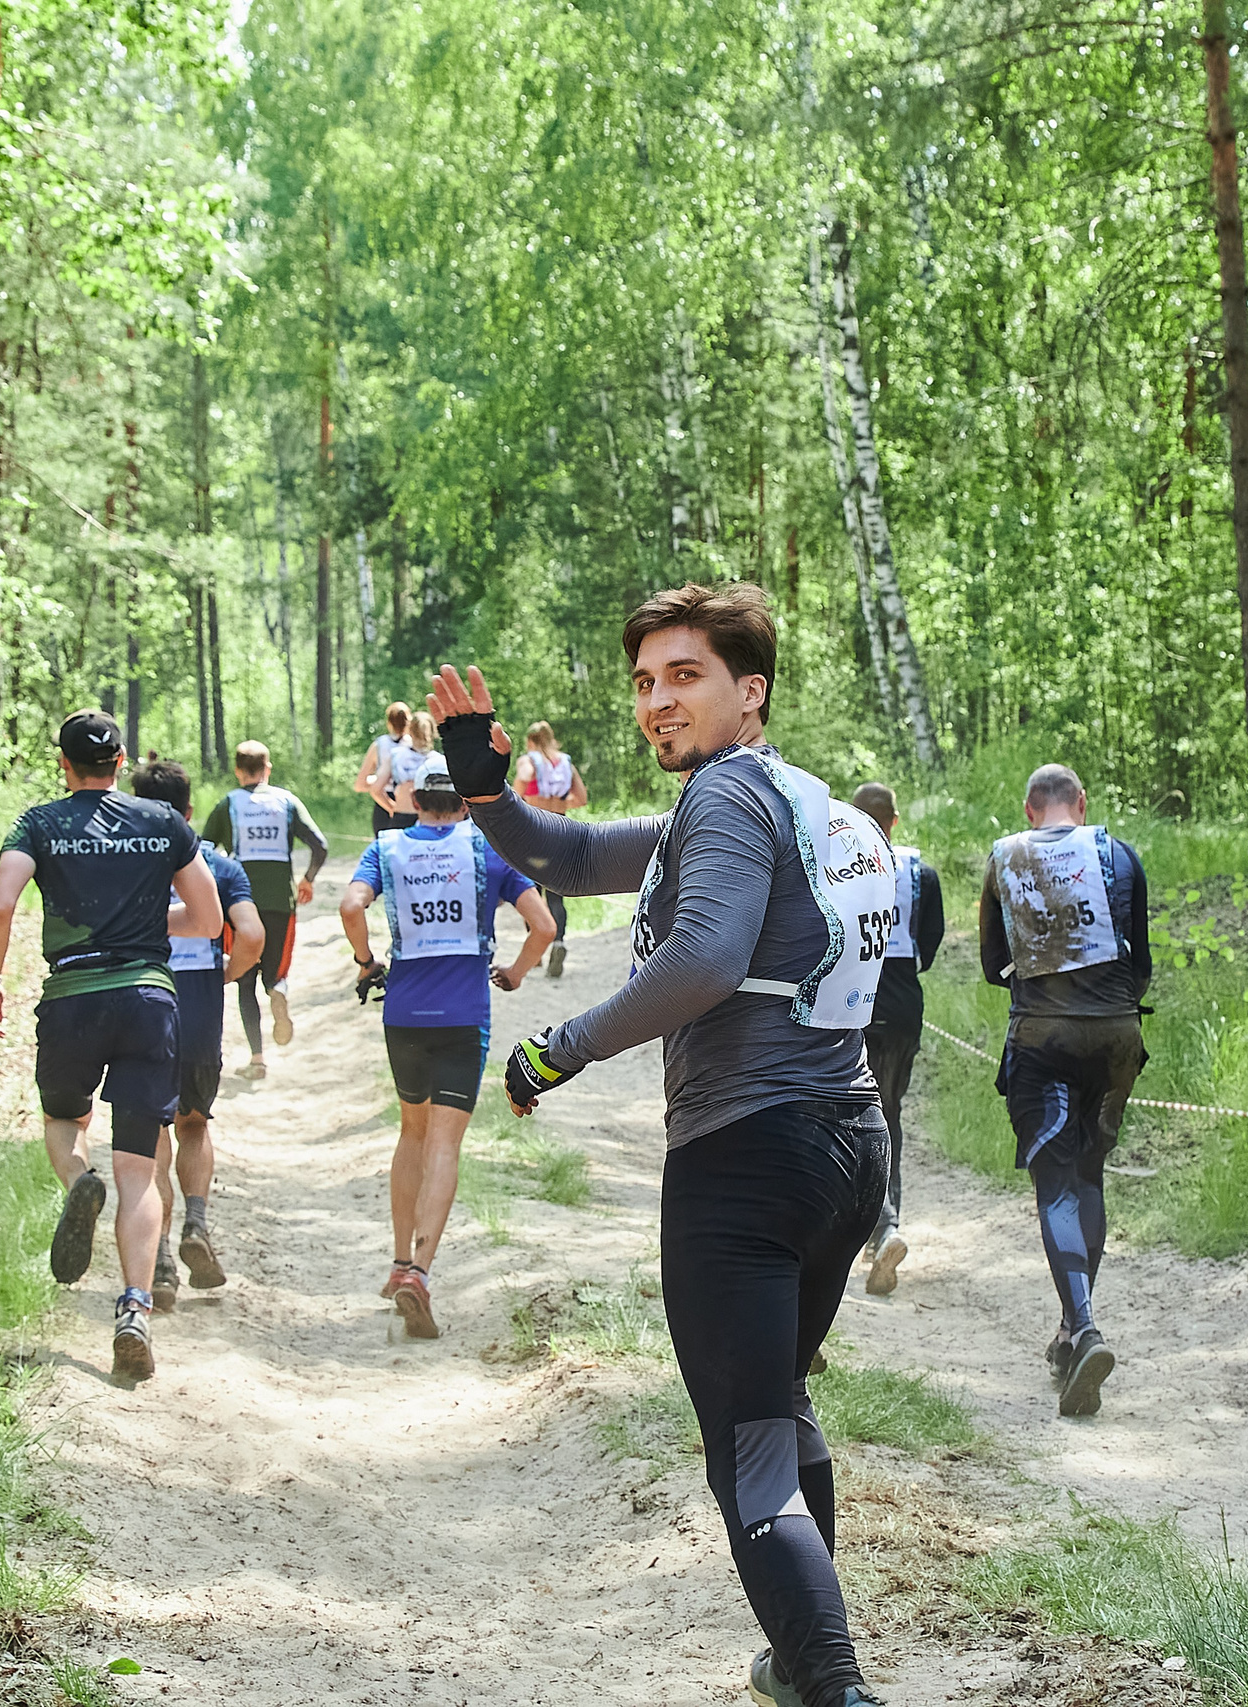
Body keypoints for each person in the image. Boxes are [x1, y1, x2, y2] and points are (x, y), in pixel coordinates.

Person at [426, 582, 895, 1707]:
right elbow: (572, 850)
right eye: (643, 682)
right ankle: (797, 1661)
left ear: (751, 690)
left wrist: (561, 1048)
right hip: (849, 1146)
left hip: (747, 1157)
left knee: (747, 1450)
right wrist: (484, 788)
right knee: (778, 1406)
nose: (657, 703)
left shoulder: (726, 799)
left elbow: (703, 960)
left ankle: (832, 1685)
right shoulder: (798, 798)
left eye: (685, 677)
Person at [0, 712, 221, 1385]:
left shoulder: (39, 823)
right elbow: (207, 919)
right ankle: (135, 1308)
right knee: (140, 1168)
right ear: (119, 762)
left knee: (64, 1118)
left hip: (73, 997)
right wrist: (146, 921)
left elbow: (0, 907)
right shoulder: (163, 823)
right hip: (148, 998)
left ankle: (77, 1181)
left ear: (64, 764)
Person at [337, 755, 556, 1338]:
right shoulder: (487, 851)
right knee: (444, 1144)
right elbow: (545, 927)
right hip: (464, 1015)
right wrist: (515, 971)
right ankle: (419, 1272)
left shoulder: (386, 848)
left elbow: (350, 906)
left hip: (404, 1013)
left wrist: (366, 963)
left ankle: (397, 1260)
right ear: (464, 802)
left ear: (414, 801)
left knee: (411, 1131)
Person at [979, 764, 1149, 1419]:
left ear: (1029, 808)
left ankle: (1084, 1328)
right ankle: (1070, 1330)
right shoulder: (1118, 853)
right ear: (1082, 803)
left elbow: (994, 965)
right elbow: (1142, 963)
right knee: (1089, 1176)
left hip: (1041, 1038)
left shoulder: (1004, 857)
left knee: (1054, 1184)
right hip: (1116, 1038)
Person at [131, 761, 264, 1311]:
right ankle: (197, 1223)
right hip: (200, 1014)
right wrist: (224, 973)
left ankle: (159, 1257)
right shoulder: (217, 864)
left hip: (138, 1008)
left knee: (149, 1138)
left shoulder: (124, 863)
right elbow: (252, 935)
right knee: (193, 1123)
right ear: (189, 811)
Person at [849, 781, 941, 1296]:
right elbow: (930, 943)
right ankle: (888, 1224)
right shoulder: (921, 874)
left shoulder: (830, 859)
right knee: (890, 1114)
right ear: (894, 822)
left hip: (851, 1005)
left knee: (849, 1115)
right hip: (904, 1006)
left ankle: (873, 1225)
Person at [200, 739, 328, 1076]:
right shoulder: (286, 802)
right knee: (277, 971)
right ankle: (278, 991)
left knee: (243, 980)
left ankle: (257, 1059)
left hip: (240, 905)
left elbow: (203, 850)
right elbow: (320, 845)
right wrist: (308, 879)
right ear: (267, 769)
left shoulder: (228, 803)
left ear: (238, 771)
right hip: (280, 903)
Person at [514, 719, 588, 978]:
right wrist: (560, 800)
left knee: (530, 894)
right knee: (556, 895)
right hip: (562, 830)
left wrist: (526, 796)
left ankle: (536, 951)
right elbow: (581, 798)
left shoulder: (529, 761)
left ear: (531, 741)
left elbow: (519, 785)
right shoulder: (565, 762)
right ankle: (559, 942)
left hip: (535, 831)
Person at [354, 701, 413, 833]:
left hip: (382, 803)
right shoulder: (414, 745)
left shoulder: (379, 745)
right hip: (407, 804)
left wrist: (378, 779)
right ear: (409, 721)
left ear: (389, 723)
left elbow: (360, 784)